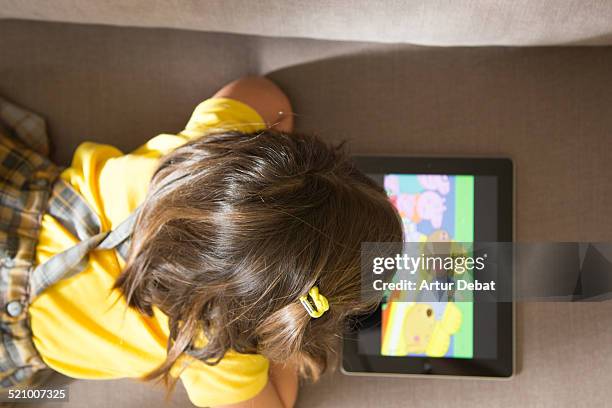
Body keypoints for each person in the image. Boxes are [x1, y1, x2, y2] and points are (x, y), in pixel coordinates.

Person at [0, 77, 402, 407]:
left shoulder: (211, 145)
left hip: (16, 199)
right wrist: (277, 339)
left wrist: (280, 190)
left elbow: (265, 94)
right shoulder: (215, 348)